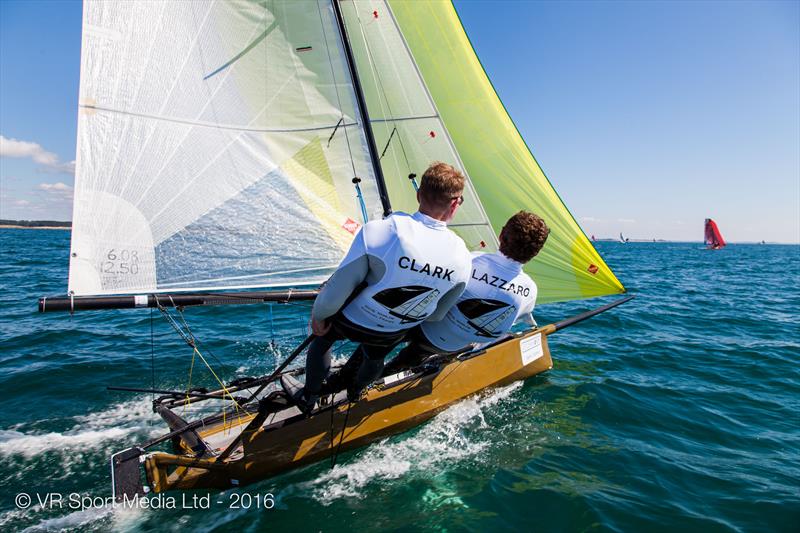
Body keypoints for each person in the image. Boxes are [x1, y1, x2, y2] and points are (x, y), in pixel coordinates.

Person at [281, 162, 473, 412]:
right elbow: (436, 314)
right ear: (455, 203)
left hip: (355, 320)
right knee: (375, 355)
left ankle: (309, 397)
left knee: (322, 341)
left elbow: (337, 290)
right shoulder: (463, 256)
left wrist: (319, 316)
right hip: (394, 331)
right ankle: (356, 391)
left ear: (418, 194)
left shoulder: (383, 230)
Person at [383, 211, 550, 375]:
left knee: (380, 343)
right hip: (450, 345)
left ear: (501, 235)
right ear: (536, 252)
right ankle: (414, 366)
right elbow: (518, 317)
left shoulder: (468, 260)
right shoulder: (530, 290)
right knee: (411, 357)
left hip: (423, 327)